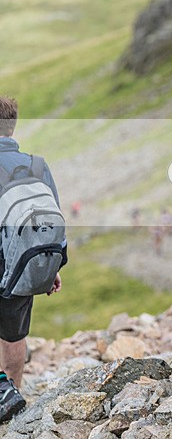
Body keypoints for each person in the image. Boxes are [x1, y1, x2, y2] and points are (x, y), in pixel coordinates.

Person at [0, 97, 66, 422]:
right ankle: (11, 401)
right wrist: (53, 267)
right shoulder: (38, 165)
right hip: (23, 266)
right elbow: (52, 220)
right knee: (14, 334)